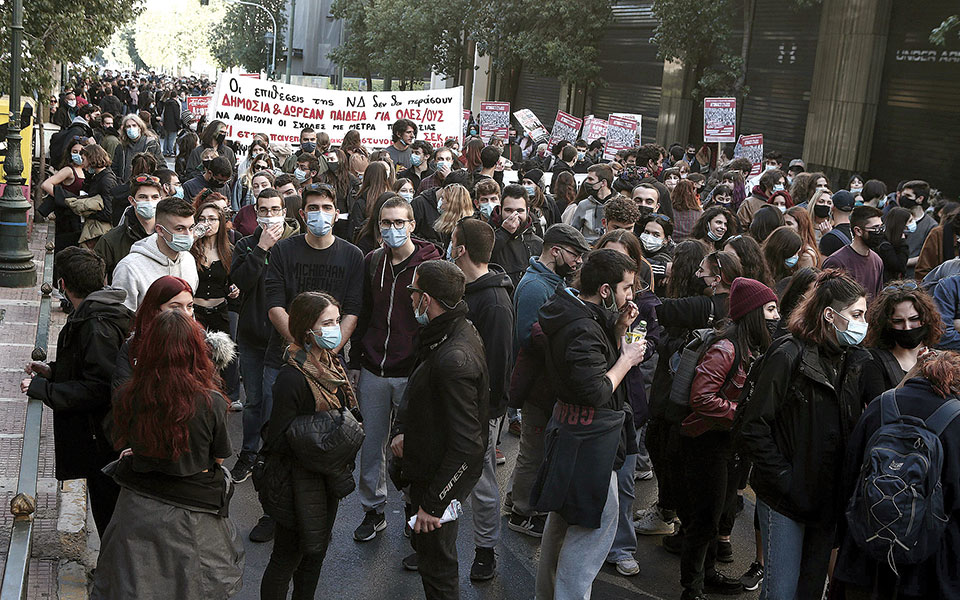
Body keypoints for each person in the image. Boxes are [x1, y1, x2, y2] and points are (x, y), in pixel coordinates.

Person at [737, 270, 870, 600]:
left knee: (808, 592)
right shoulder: (787, 355)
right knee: (780, 592)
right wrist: (786, 479)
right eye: (856, 315)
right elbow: (753, 426)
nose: (863, 323)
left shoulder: (852, 361)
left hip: (826, 502)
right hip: (786, 500)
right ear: (829, 315)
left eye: (864, 315)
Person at [91, 310, 243, 599]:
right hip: (193, 517)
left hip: (135, 510)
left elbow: (122, 439)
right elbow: (219, 458)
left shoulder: (129, 394)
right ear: (196, 351)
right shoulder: (210, 401)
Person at [533, 249, 647, 599]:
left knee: (562, 526)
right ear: (604, 290)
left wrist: (617, 329)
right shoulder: (581, 327)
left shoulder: (578, 313)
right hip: (589, 444)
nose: (631, 295)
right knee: (589, 539)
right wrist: (626, 359)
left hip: (574, 436)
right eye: (626, 288)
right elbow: (595, 389)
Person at [259, 183, 364, 542]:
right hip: (285, 361)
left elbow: (352, 309)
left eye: (327, 206)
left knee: (323, 440)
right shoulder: (284, 251)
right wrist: (304, 347)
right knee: (278, 437)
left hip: (330, 368)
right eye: (313, 207)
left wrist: (328, 351)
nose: (320, 213)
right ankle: (273, 510)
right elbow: (274, 304)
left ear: (336, 212)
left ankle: (316, 509)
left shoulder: (352, 255)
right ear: (302, 214)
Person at [390, 260, 489, 600]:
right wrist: (403, 430)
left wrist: (434, 504)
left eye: (412, 292)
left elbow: (467, 445)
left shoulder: (454, 357)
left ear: (426, 299)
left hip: (437, 480)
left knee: (438, 568)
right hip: (426, 465)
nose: (409, 299)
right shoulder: (445, 331)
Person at [678, 277, 779, 600]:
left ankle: (707, 575)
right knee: (705, 517)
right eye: (771, 309)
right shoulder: (726, 348)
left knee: (719, 512)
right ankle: (691, 588)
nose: (777, 316)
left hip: (727, 442)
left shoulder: (751, 347)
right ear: (753, 313)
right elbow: (702, 398)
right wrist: (741, 414)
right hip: (705, 441)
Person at [20, 247, 133, 537]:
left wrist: (44, 390)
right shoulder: (99, 313)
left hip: (105, 439)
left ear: (62, 285)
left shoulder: (96, 323)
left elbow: (100, 386)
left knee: (111, 516)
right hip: (107, 437)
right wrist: (54, 372)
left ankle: (113, 578)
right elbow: (90, 368)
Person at [347, 195, 440, 542]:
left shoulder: (428, 266)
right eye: (386, 223)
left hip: (411, 371)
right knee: (371, 446)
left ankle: (414, 512)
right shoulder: (372, 262)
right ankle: (373, 510)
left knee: (411, 447)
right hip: (373, 368)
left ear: (412, 225)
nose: (392, 229)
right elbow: (365, 313)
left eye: (399, 222)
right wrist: (356, 362)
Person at [833, 350, 960, 600]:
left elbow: (849, 475)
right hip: (930, 569)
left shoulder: (882, 405)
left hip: (865, 555)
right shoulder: (957, 419)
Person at [258, 292, 359, 599]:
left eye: (337, 321)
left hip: (324, 477)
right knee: (287, 557)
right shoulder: (292, 377)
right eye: (327, 323)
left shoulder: (332, 364)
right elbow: (277, 437)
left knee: (315, 555)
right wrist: (324, 436)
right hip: (296, 481)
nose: (335, 328)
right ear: (307, 331)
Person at [508, 223, 591, 537]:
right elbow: (529, 338)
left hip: (547, 383)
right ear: (555, 250)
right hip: (538, 386)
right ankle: (522, 512)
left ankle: (516, 498)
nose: (577, 261)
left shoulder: (552, 281)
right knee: (533, 450)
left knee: (536, 448)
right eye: (574, 254)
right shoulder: (534, 287)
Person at [451, 218, 515, 581]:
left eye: (452, 240)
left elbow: (499, 364)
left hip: (479, 412)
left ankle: (485, 551)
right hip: (453, 404)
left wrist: (487, 415)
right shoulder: (460, 288)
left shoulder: (494, 303)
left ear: (461, 249)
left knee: (482, 482)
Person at [228, 189, 300, 482]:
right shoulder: (246, 245)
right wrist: (261, 249)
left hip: (284, 337)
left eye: (274, 209)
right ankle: (249, 452)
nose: (269, 215)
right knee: (254, 400)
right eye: (263, 210)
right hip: (253, 335)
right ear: (255, 212)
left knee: (276, 398)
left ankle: (273, 454)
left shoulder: (296, 245)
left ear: (284, 211)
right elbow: (241, 281)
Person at [191, 202, 241, 410]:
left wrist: (235, 288)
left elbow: (236, 278)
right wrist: (191, 239)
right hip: (195, 310)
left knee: (226, 354)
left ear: (221, 223)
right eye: (202, 218)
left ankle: (231, 396)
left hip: (220, 309)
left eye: (212, 219)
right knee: (196, 354)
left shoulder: (229, 250)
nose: (207, 223)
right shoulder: (191, 249)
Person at [861, 281, 943, 406]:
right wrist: (915, 370)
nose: (907, 327)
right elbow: (878, 409)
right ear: (886, 324)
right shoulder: (874, 361)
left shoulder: (940, 358)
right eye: (898, 321)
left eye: (914, 319)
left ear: (926, 319)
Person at [112, 197, 199, 312]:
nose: (188, 235)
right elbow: (122, 318)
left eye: (191, 228)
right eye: (180, 229)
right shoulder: (130, 267)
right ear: (160, 230)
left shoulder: (188, 260)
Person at [822, 205, 884, 298]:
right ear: (858, 231)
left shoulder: (877, 261)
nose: (879, 232)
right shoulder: (836, 262)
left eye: (881, 227)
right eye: (875, 228)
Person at [490, 184, 544, 289]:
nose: (514, 215)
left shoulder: (537, 243)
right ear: (500, 210)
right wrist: (504, 233)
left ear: (527, 211)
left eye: (519, 211)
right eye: (508, 210)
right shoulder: (487, 234)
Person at [570, 164, 618, 244]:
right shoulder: (583, 205)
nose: (586, 182)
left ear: (603, 183)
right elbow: (573, 232)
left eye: (590, 179)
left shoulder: (620, 204)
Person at [112, 113, 164, 182]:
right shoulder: (121, 146)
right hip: (126, 185)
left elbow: (161, 165)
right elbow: (114, 167)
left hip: (146, 185)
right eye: (128, 126)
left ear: (140, 127)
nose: (131, 128)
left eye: (134, 125)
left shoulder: (151, 144)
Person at [638, 212, 675, 290]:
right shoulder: (636, 245)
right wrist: (663, 269)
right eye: (646, 232)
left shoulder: (667, 257)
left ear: (666, 239)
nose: (649, 238)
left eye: (656, 235)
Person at [818, 190, 857, 257]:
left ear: (832, 207)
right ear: (852, 210)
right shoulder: (858, 231)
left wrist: (826, 237)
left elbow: (823, 265)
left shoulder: (829, 238)